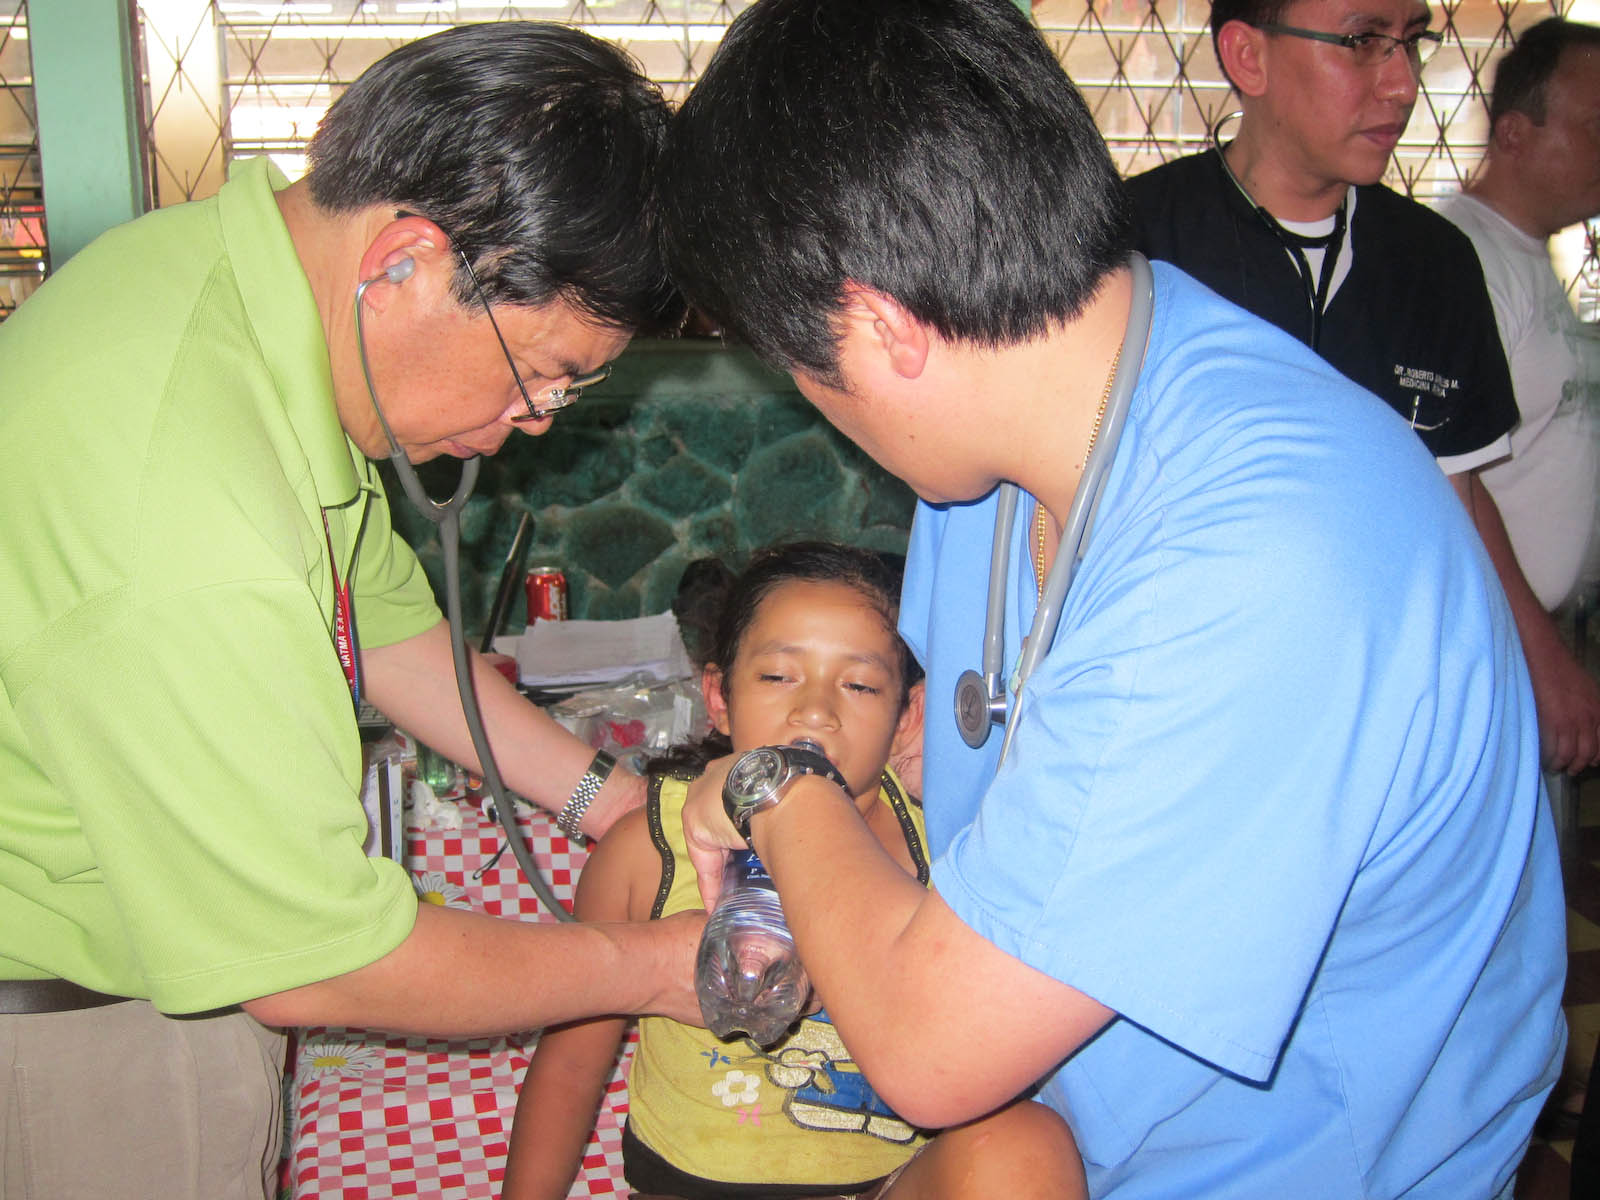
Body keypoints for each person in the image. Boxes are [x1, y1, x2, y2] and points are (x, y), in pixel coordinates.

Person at [655, 0, 1566, 1196]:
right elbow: (959, 773)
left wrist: (773, 781)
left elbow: (932, 1047)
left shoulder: (1267, 551)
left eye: (798, 370)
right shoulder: (994, 460)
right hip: (1066, 1133)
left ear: (877, 326)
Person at [0, 23, 706, 1200]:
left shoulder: (218, 295)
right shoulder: (190, 508)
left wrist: (622, 805)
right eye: (540, 371)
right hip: (77, 1043)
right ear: (405, 262)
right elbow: (317, 964)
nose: (537, 419)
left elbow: (387, 629)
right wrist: (647, 967)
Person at [503, 542, 1085, 1200]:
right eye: (780, 676)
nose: (815, 710)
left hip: (887, 1185)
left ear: (907, 716)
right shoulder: (648, 850)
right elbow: (571, 1067)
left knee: (1026, 1143)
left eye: (859, 685)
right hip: (694, 1190)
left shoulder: (948, 848)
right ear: (719, 696)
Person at [1123, 0, 1600, 778]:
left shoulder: (1436, 262)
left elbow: (1456, 487)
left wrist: (1533, 652)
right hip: (1185, 712)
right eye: (1362, 42)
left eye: (1412, 41)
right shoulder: (1133, 247)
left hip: (1387, 717)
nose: (1402, 84)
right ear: (1248, 58)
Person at [1438, 13, 1600, 1150]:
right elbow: (1448, 479)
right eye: (1594, 126)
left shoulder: (1526, 261)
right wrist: (1539, 650)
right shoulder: (1458, 260)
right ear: (1514, 131)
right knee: (1502, 927)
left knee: (1535, 918)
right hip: (1503, 650)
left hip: (1542, 637)